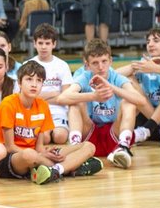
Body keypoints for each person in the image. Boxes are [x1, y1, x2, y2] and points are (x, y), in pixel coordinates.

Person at [56, 39, 151, 169]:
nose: (101, 67)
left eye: (104, 61)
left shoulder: (117, 78)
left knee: (129, 102)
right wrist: (93, 96)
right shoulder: (84, 77)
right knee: (75, 103)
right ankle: (75, 147)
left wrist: (112, 88)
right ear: (87, 65)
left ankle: (123, 147)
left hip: (113, 132)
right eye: (95, 63)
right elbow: (62, 98)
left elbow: (141, 101)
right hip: (90, 133)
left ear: (110, 61)